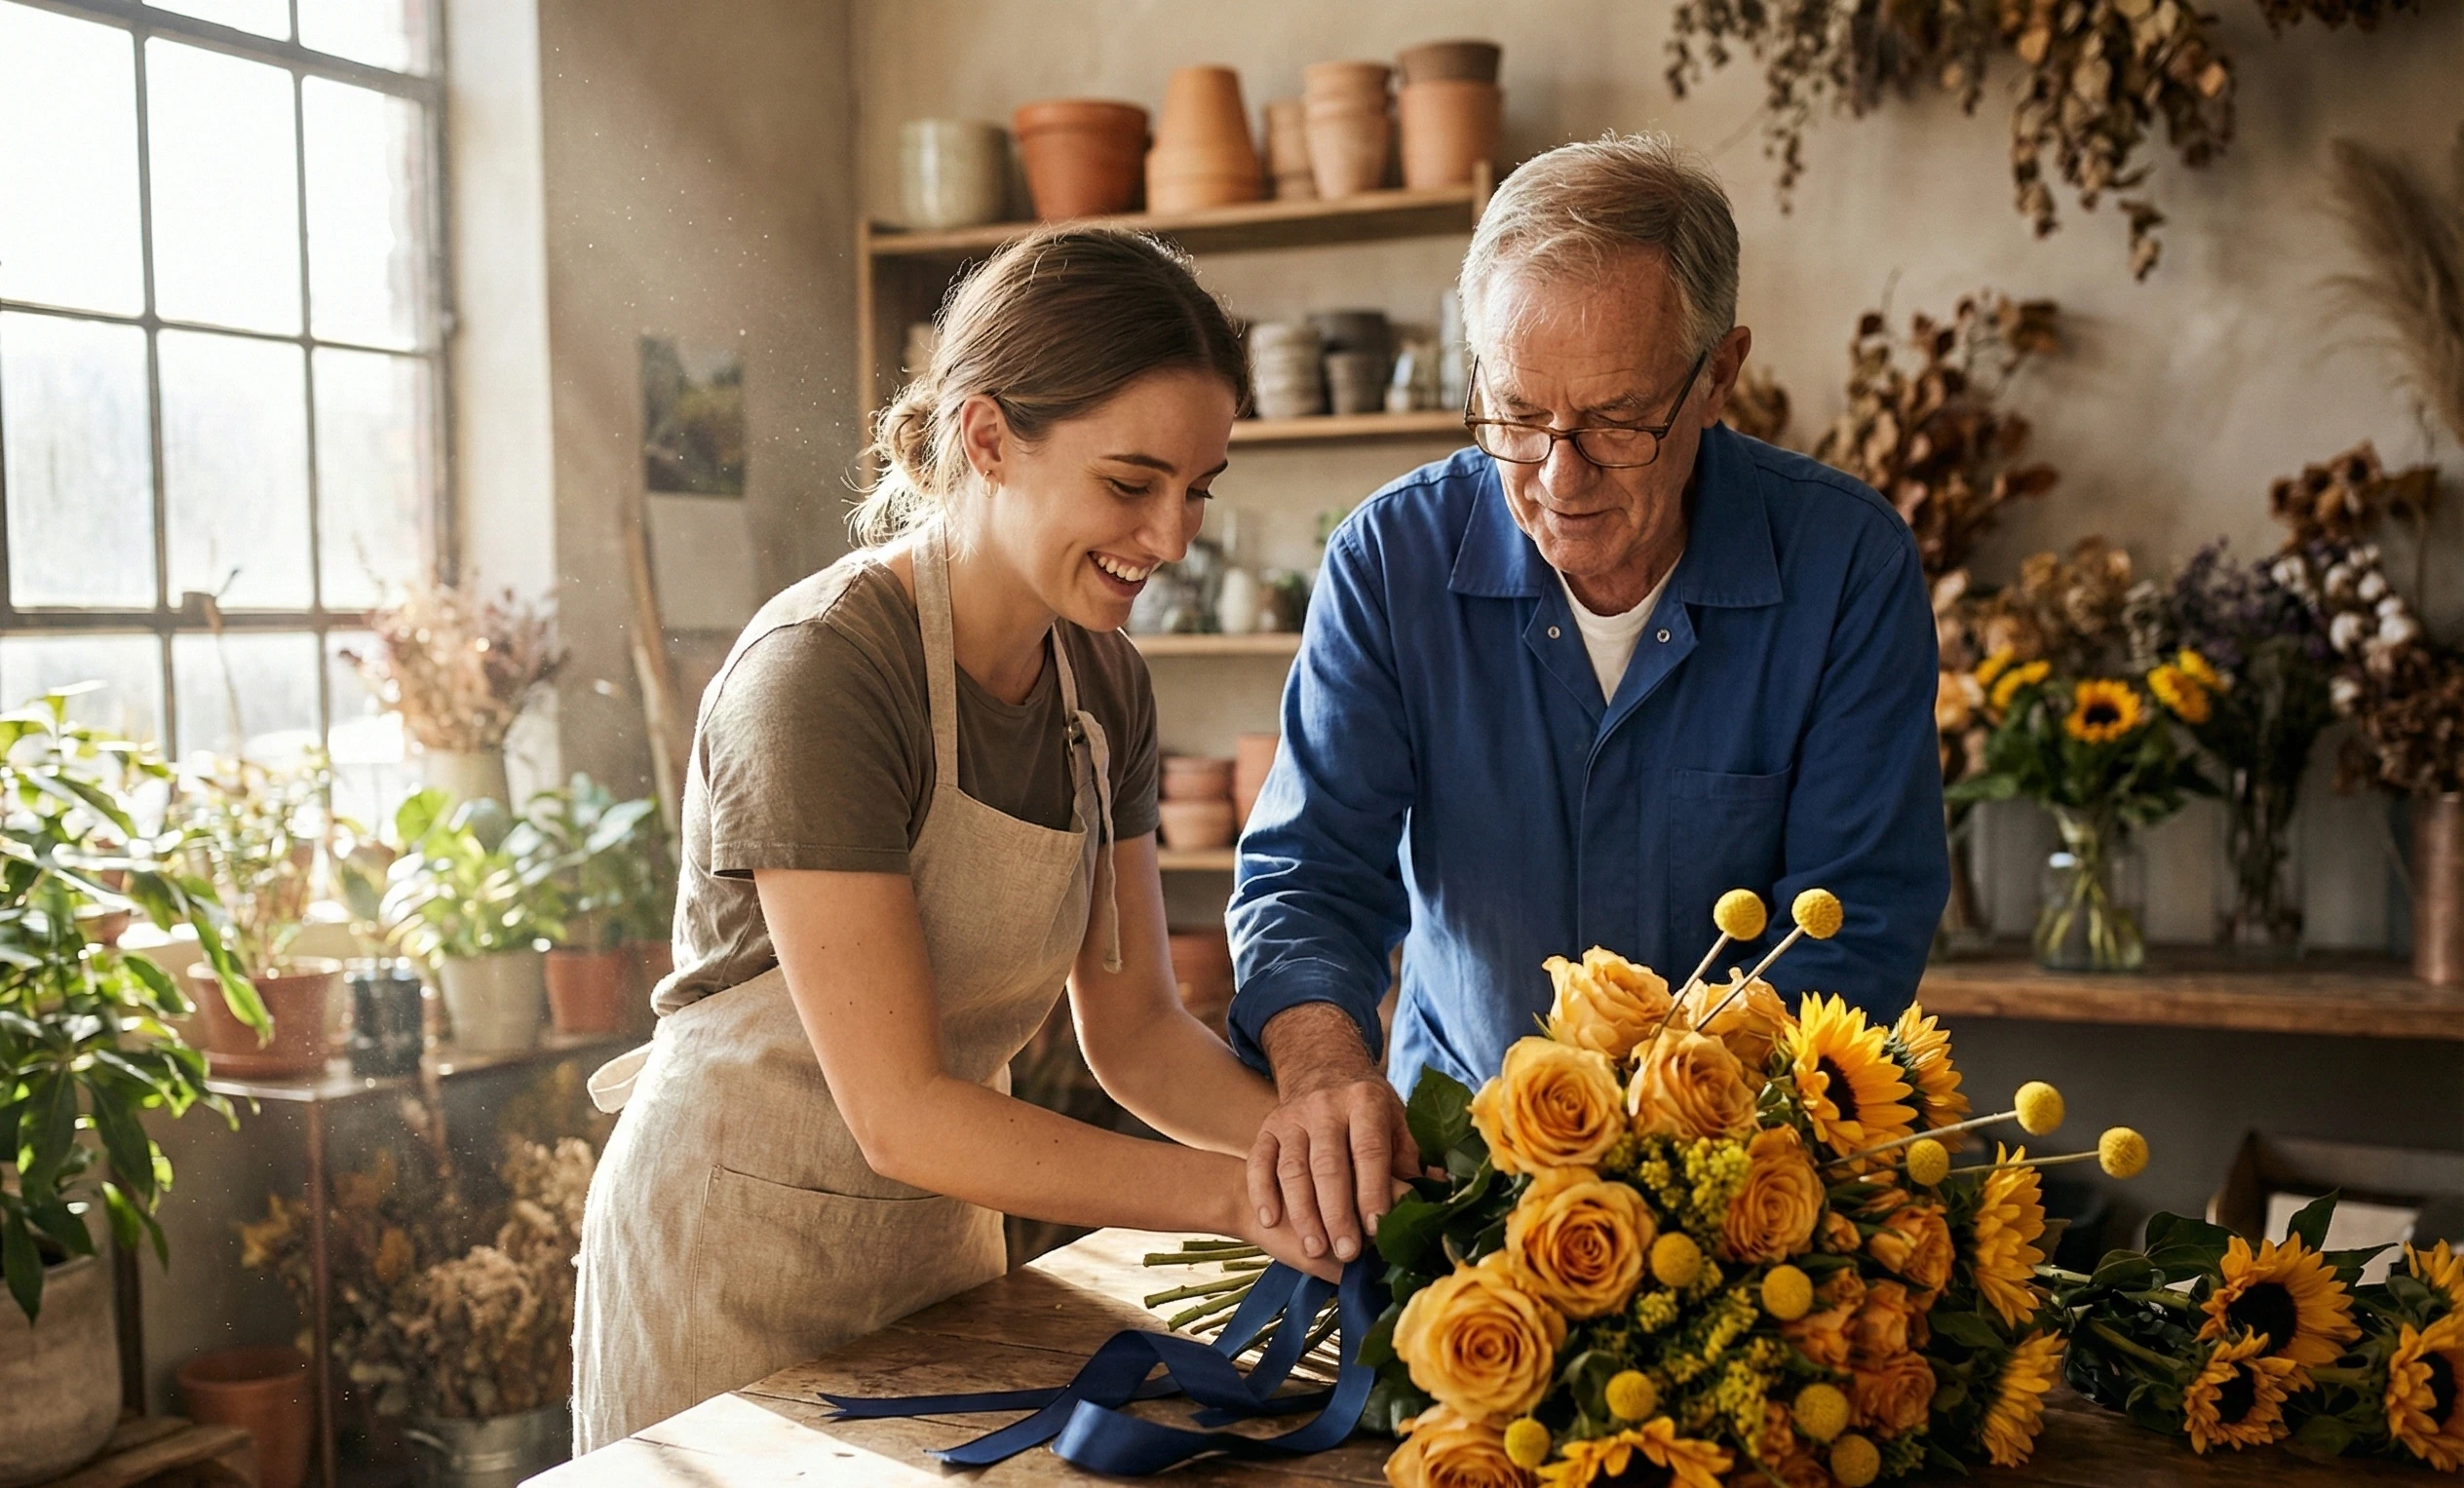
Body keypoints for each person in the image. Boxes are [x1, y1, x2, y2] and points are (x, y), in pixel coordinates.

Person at [572, 227, 1330, 1453]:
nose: (1175, 536)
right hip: (726, 1267)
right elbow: (902, 1114)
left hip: (936, 1255)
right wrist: (1238, 1196)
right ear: (984, 439)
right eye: (1131, 483)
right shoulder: (822, 673)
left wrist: (1331, 1166)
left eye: (1199, 488)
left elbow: (1134, 1033)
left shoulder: (1106, 691)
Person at [1225, 134, 1949, 1274]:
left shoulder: (1844, 565)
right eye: (1513, 415)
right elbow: (1308, 873)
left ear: (1717, 375)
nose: (1558, 478)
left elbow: (1855, 917)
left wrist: (1655, 1163)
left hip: (1735, 1192)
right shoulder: (1388, 561)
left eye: (1616, 421)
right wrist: (1323, 1075)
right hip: (1447, 1184)